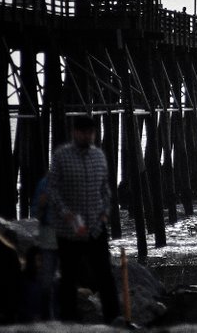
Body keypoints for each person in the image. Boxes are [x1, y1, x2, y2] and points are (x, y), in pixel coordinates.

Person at [47, 115, 119, 323]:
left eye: (91, 133)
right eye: (84, 132)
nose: (88, 136)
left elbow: (105, 188)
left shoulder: (99, 156)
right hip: (69, 230)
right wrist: (66, 213)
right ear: (74, 132)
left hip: (96, 227)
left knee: (105, 274)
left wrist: (106, 211)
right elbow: (53, 190)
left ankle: (113, 319)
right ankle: (68, 321)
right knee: (69, 277)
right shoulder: (61, 156)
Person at [32, 173, 58, 319]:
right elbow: (36, 211)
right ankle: (47, 316)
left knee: (66, 277)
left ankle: (62, 314)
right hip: (49, 231)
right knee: (47, 276)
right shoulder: (45, 183)